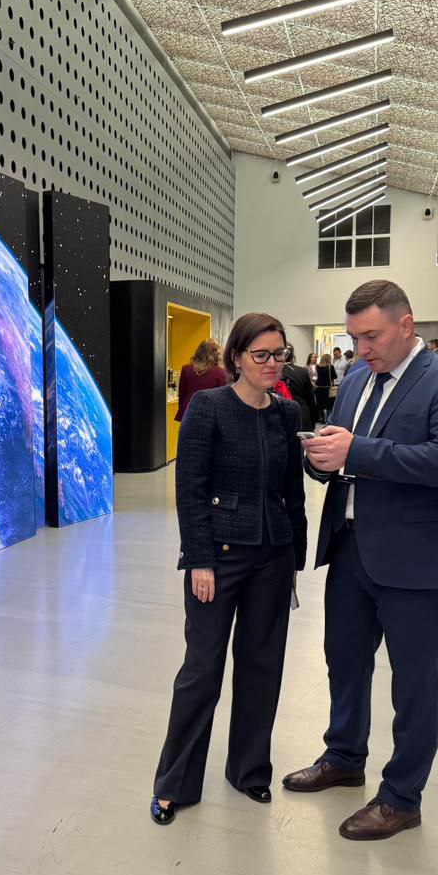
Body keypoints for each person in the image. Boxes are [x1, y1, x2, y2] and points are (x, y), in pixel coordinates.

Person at [287, 280, 438, 841]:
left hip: (413, 558)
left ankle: (401, 796)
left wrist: (356, 452)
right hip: (349, 546)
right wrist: (322, 459)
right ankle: (344, 756)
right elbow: (342, 451)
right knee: (344, 661)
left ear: (406, 324)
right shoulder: (355, 379)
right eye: (354, 338)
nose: (362, 348)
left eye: (371, 336)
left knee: (414, 681)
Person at [151, 314, 308, 825]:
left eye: (280, 354)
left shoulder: (287, 413)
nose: (272, 363)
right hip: (217, 558)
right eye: (261, 354)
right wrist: (199, 558)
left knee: (263, 666)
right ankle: (174, 783)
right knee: (202, 671)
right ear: (237, 357)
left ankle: (249, 770)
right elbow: (190, 488)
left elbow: (293, 491)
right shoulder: (209, 407)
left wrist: (295, 556)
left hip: (273, 557)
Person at [175, 338, 227, 422]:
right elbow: (223, 398)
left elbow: (182, 394)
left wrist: (182, 410)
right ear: (216, 354)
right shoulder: (220, 372)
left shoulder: (186, 369)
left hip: (187, 412)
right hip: (208, 414)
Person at [281, 351, 318, 431]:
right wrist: (313, 420)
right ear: (292, 356)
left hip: (280, 415)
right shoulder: (302, 371)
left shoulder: (271, 372)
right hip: (301, 412)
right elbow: (310, 399)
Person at [314, 353, 338, 424]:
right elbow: (335, 376)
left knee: (320, 404)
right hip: (328, 388)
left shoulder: (317, 367)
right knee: (329, 405)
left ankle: (322, 419)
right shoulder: (331, 367)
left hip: (319, 388)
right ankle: (328, 419)